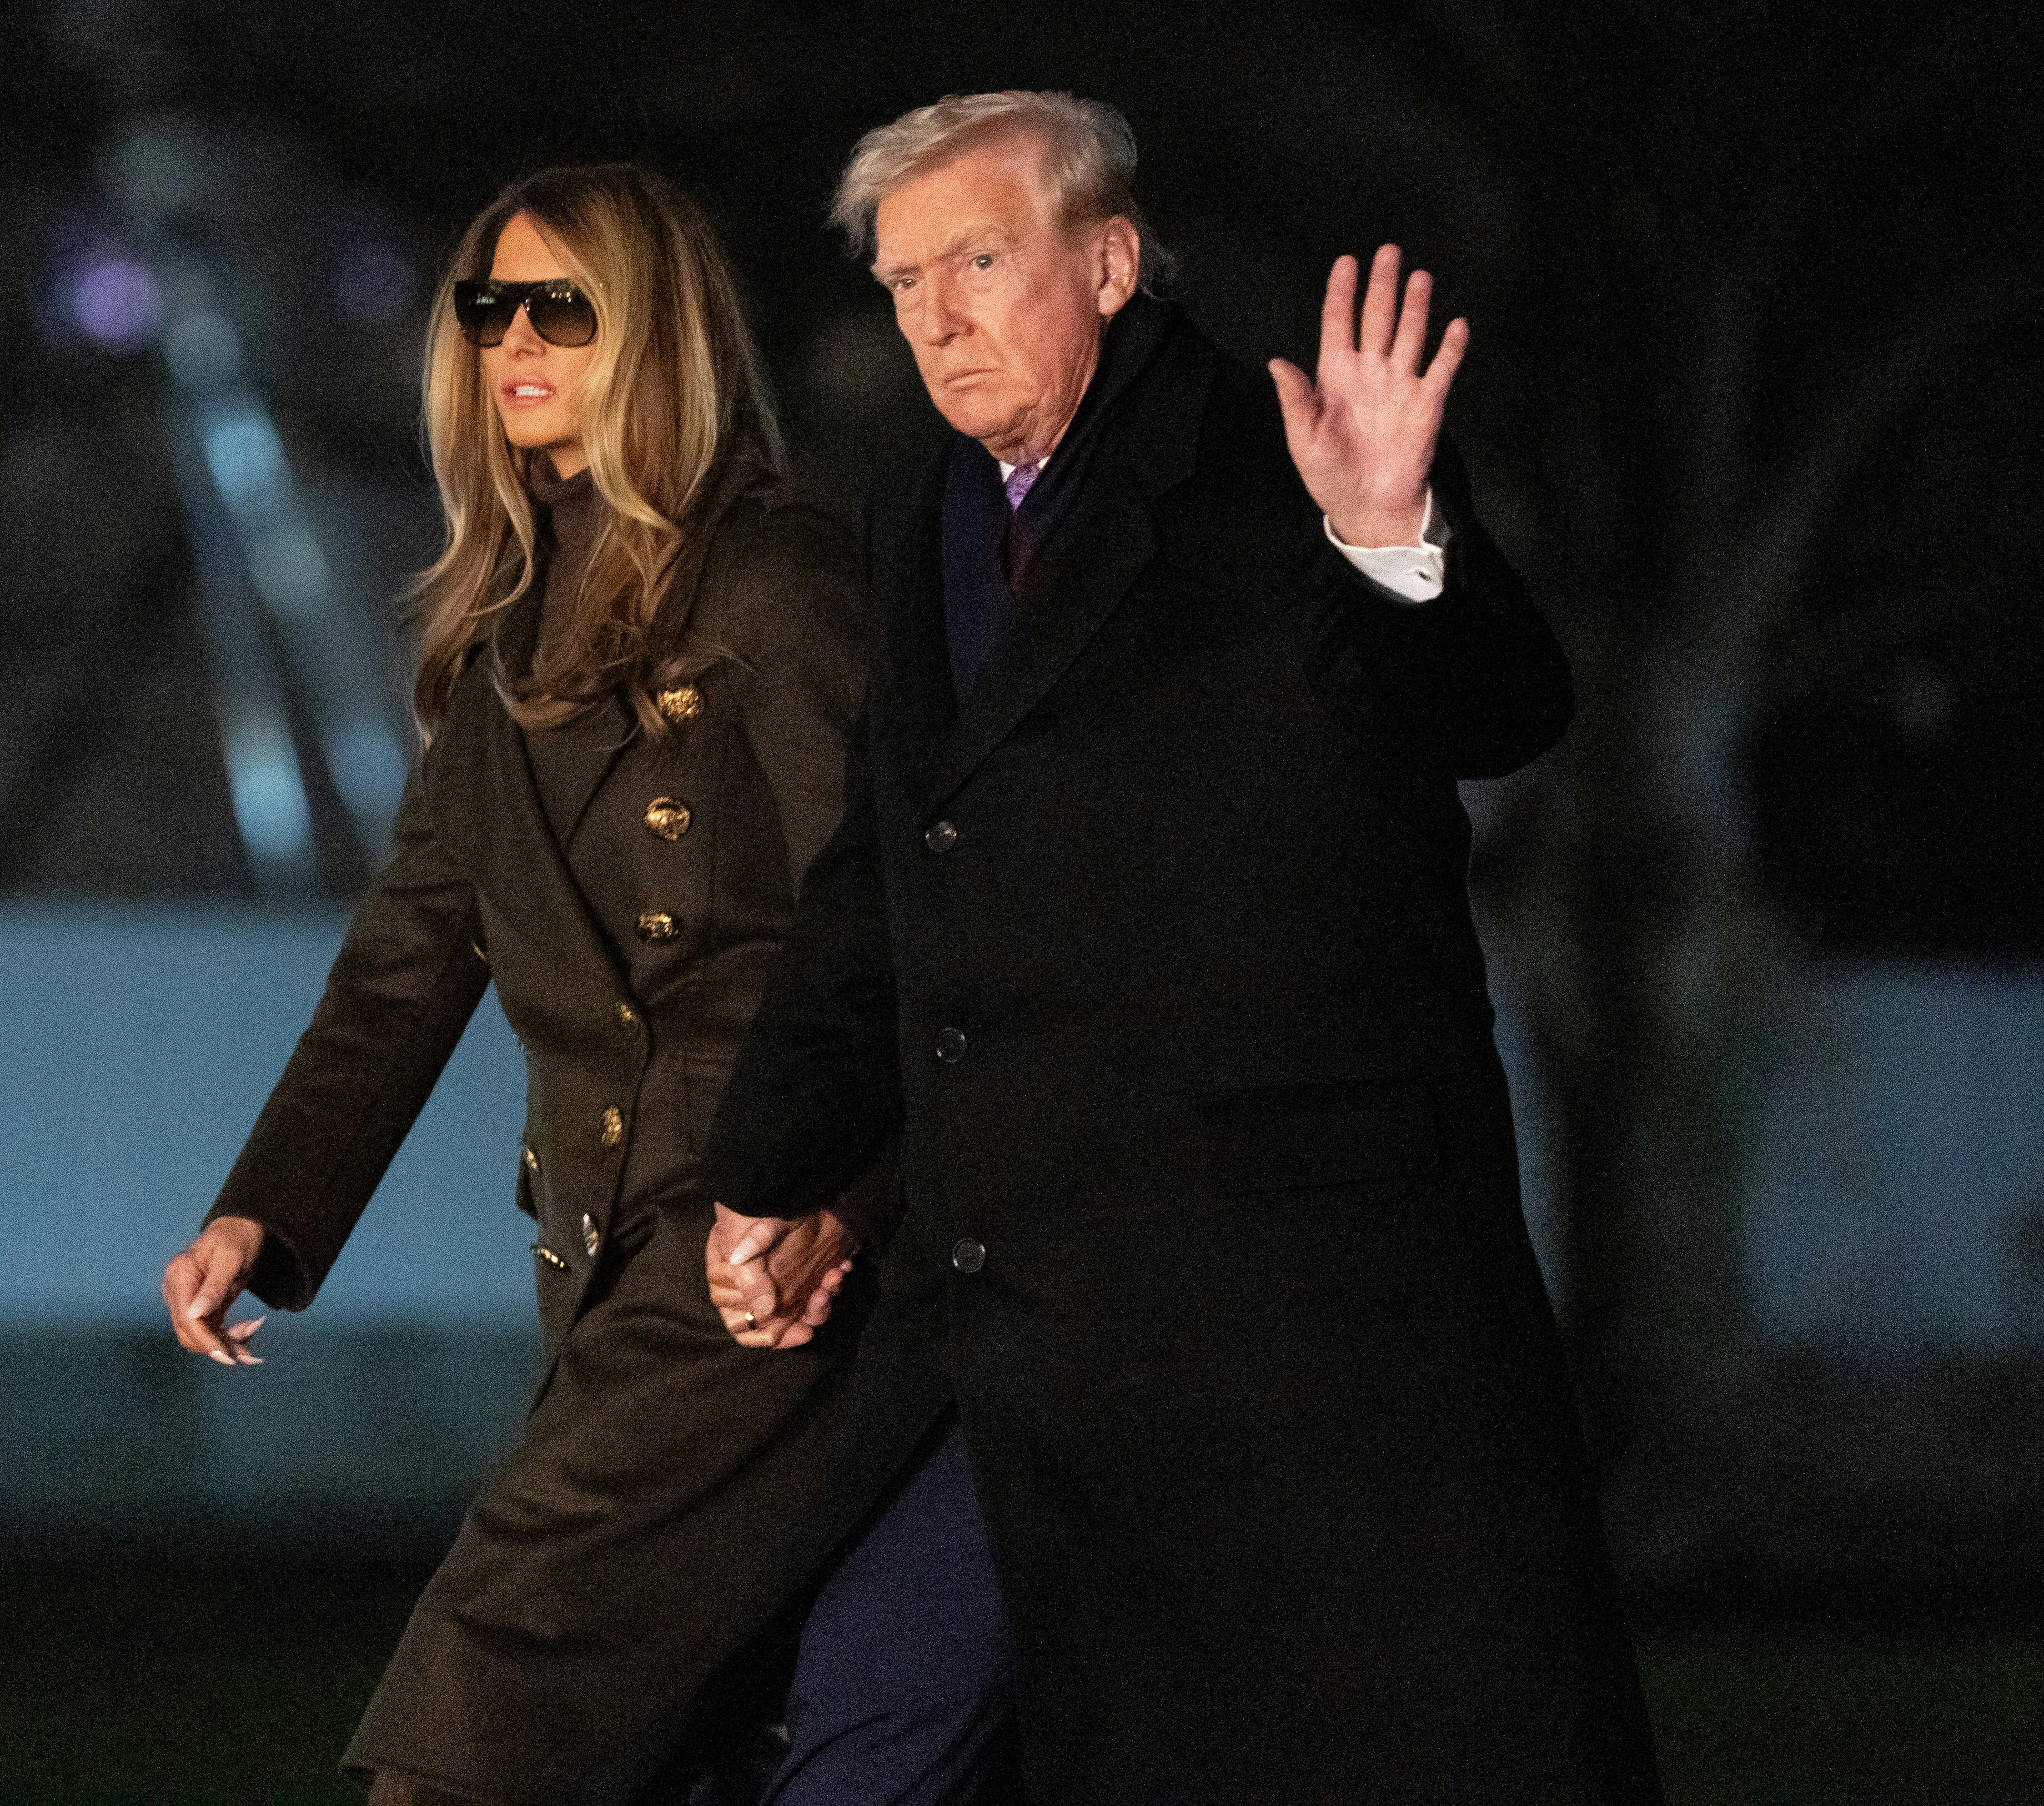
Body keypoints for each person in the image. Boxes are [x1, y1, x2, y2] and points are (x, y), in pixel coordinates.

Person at [700, 92, 1664, 1802]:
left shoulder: (1272, 454)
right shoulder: (924, 512)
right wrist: (775, 1165)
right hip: (1014, 1329)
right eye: (904, 279)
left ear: (1114, 259)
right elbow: (890, 871)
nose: (932, 313)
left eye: (977, 261)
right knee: (854, 1738)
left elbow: (1501, 705)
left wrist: (1388, 533)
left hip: (1291, 1331)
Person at [159, 164, 882, 1806]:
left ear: (658, 338)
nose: (516, 342)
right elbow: (412, 950)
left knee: (488, 1687)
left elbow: (894, 917)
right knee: (656, 1745)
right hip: (599, 1259)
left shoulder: (774, 580)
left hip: (759, 1255)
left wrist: (832, 1194)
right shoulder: (498, 643)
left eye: (567, 307)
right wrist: (262, 1213)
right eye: (491, 306)